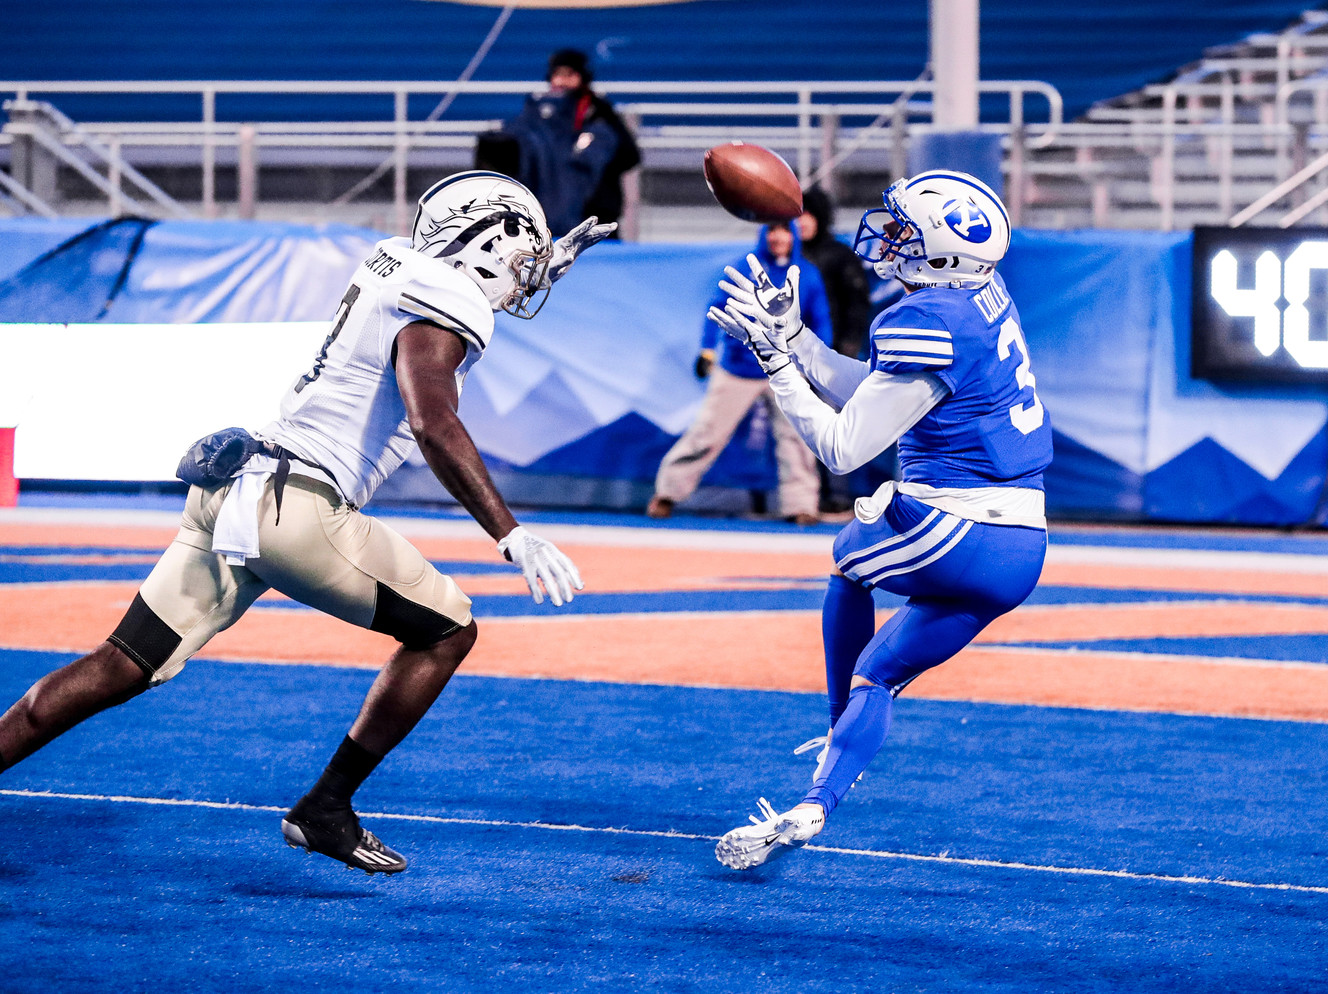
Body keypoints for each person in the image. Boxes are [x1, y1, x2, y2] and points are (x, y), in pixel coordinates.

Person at [0, 171, 616, 876]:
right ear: (481, 244)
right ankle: (326, 807)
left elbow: (445, 315)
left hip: (238, 486)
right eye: (522, 256)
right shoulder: (442, 300)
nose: (527, 274)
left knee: (121, 664)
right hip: (299, 508)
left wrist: (541, 261)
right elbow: (432, 419)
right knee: (448, 629)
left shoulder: (399, 263)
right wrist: (508, 530)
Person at [707, 170, 1052, 869]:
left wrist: (776, 362)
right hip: (1021, 548)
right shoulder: (977, 296)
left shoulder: (925, 322)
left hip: (953, 531)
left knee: (848, 555)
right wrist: (799, 341)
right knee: (880, 674)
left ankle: (835, 726)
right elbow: (877, 391)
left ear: (941, 253)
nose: (889, 236)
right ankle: (813, 805)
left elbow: (842, 446)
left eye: (906, 231)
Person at [646, 220, 833, 525]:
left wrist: (819, 360)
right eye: (772, 230)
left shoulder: (806, 275)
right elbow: (716, 308)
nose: (778, 236)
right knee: (706, 433)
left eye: (784, 230)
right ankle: (666, 493)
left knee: (797, 439)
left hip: (784, 369)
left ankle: (801, 506)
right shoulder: (743, 268)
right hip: (738, 368)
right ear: (764, 235)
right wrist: (707, 350)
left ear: (793, 236)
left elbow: (820, 319)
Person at [495, 48, 641, 238]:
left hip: (593, 214)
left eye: (569, 75)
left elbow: (629, 155)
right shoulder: (538, 112)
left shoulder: (599, 112)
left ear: (582, 76)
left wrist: (587, 167)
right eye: (557, 75)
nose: (562, 82)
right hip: (547, 213)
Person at [796, 185, 875, 513]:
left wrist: (846, 347)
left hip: (831, 356)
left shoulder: (839, 256)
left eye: (807, 215)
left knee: (834, 426)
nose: (800, 223)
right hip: (794, 356)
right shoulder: (786, 255)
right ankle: (798, 497)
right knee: (798, 427)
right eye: (795, 216)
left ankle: (839, 493)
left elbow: (857, 304)